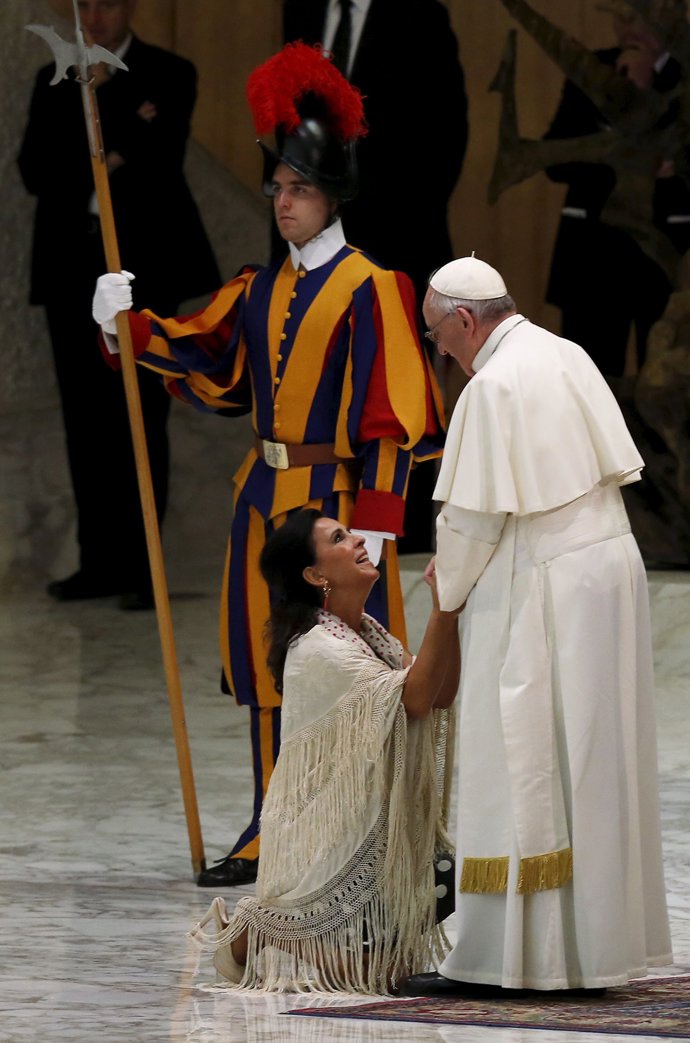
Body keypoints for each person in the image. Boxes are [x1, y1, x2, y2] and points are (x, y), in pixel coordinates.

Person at [92, 43, 445, 886]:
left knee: (346, 672)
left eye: (299, 189)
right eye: (277, 188)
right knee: (266, 665)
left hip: (334, 505)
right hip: (262, 495)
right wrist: (126, 326)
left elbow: (393, 424)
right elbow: (209, 359)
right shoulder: (260, 286)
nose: (282, 202)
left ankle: (360, 826)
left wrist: (379, 533)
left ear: (332, 195)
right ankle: (268, 822)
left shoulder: (373, 286)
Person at [400, 255, 672, 995]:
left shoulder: (493, 385)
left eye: (437, 336)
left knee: (527, 757)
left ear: (464, 319)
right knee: (591, 758)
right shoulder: (566, 352)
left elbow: (473, 517)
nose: (440, 351)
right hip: (607, 568)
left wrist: (447, 590)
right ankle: (591, 950)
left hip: (545, 583)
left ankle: (507, 959)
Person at [189, 508, 459, 993]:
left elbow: (439, 693)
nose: (358, 540)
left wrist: (453, 611)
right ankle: (262, 926)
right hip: (335, 843)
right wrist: (445, 610)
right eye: (339, 537)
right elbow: (417, 698)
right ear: (315, 575)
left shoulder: (368, 635)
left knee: (435, 902)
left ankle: (280, 931)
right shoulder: (319, 648)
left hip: (377, 829)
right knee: (371, 981)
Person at [17, 0, 220, 609]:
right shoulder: (53, 77)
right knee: (84, 418)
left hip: (143, 270)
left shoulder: (169, 72)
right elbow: (37, 170)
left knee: (139, 414)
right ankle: (98, 562)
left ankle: (142, 567)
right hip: (70, 271)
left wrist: (107, 117)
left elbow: (159, 159)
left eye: (108, 4)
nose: (96, 18)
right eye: (86, 6)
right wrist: (118, 131)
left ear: (129, 8)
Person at [282, 0, 468, 552]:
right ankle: (326, 521)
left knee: (396, 389)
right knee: (323, 380)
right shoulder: (302, 9)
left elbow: (445, 135)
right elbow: (289, 125)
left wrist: (390, 226)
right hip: (316, 245)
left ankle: (400, 531)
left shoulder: (421, 16)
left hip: (399, 242)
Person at [544, 2, 690, 378]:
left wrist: (642, 95)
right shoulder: (590, 70)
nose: (629, 31)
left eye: (641, 18)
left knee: (664, 383)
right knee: (589, 381)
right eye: (622, 18)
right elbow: (557, 160)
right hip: (594, 254)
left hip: (668, 256)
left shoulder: (685, 74)